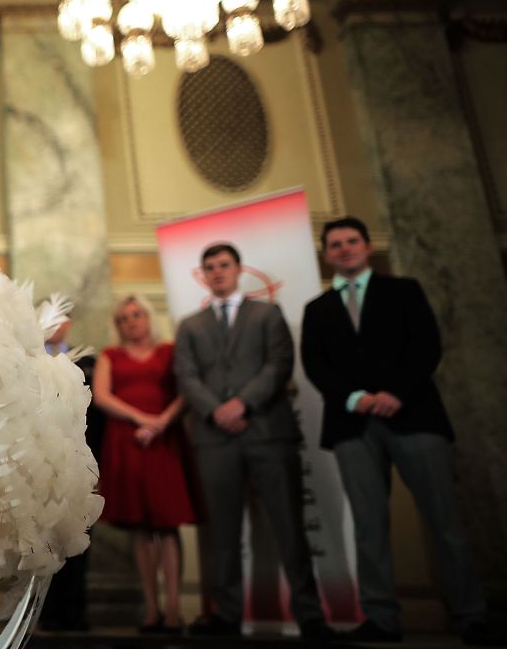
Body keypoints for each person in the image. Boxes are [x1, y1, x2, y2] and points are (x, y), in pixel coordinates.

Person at [301, 217, 494, 645]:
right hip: (353, 425)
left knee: (444, 520)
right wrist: (353, 398)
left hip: (413, 417)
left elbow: (427, 346)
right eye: (336, 244)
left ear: (368, 246)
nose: (345, 248)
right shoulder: (317, 309)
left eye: (352, 241)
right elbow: (316, 365)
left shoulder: (404, 291)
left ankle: (470, 615)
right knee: (369, 525)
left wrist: (396, 393)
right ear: (327, 253)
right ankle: (382, 619)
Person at [173, 243, 334, 639]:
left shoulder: (268, 313)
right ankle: (226, 615)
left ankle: (309, 615)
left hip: (268, 433)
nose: (217, 272)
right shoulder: (190, 325)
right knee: (222, 532)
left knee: (289, 526)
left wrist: (242, 404)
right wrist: (217, 410)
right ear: (203, 274)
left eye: (224, 265)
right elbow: (186, 376)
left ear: (239, 269)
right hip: (214, 438)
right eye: (209, 267)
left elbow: (279, 363)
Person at [92, 295, 195, 634]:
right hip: (128, 442)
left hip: (164, 442)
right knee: (138, 527)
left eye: (136, 315)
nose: (131, 322)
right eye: (123, 318)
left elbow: (186, 390)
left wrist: (162, 422)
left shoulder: (170, 351)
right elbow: (103, 396)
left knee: (167, 525)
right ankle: (151, 610)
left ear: (149, 317)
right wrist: (143, 419)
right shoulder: (110, 355)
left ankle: (174, 609)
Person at [38, 310, 103, 633]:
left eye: (60, 318)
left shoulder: (89, 362)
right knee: (43, 539)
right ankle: (43, 613)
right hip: (40, 461)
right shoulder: (28, 359)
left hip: (81, 457)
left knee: (79, 535)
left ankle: (75, 611)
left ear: (68, 324)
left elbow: (99, 417)